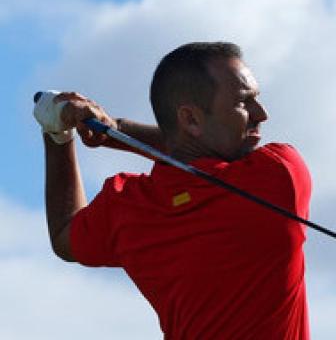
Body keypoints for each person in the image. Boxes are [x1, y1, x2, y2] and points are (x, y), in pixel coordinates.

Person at [37, 42, 311, 339]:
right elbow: (201, 158)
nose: (262, 113)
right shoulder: (280, 176)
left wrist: (57, 134)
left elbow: (65, 234)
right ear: (190, 119)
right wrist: (116, 131)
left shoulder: (127, 208)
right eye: (244, 102)